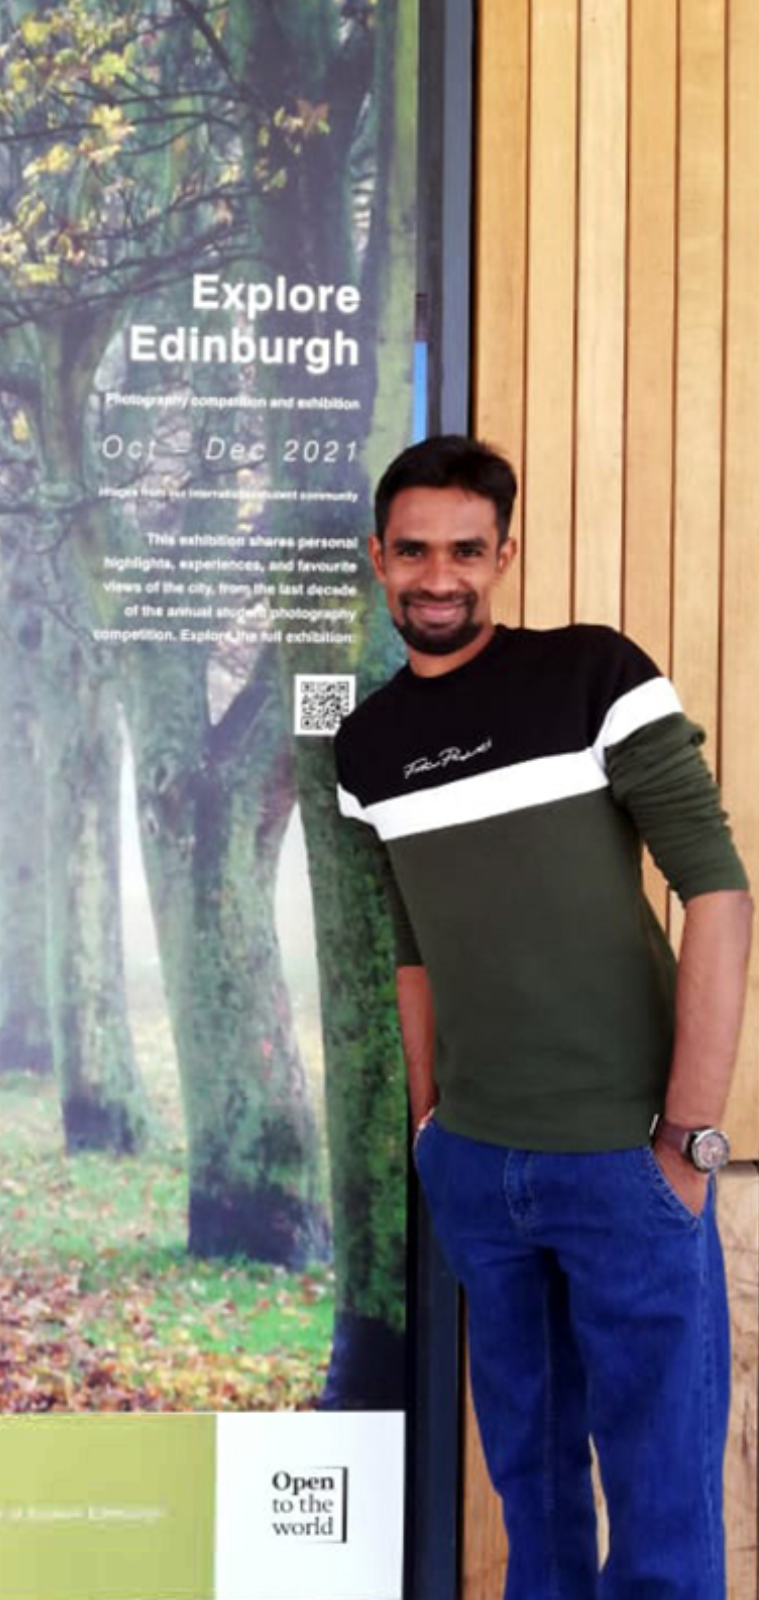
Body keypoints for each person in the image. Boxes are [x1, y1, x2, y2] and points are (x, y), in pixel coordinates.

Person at [334, 434, 752, 1600]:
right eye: (412, 550)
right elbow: (414, 945)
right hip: (476, 1166)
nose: (437, 576)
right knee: (535, 1506)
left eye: (465, 550)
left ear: (503, 554)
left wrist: (687, 1136)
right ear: (379, 558)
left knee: (663, 1519)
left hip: (628, 1161)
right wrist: (431, 1129)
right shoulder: (366, 748)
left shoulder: (594, 677)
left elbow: (717, 890)